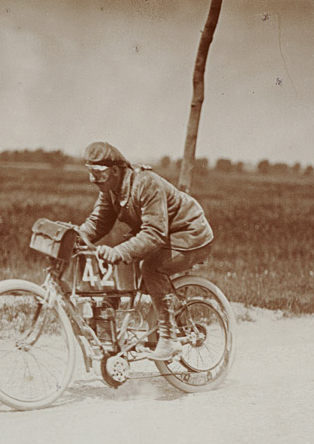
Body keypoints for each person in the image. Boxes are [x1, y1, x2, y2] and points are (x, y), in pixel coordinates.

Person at [78, 141, 214, 361]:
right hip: (165, 234)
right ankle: (108, 327)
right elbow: (98, 223)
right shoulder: (111, 190)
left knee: (150, 268)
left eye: (98, 173)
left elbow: (154, 234)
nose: (93, 180)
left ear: (115, 171)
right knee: (117, 267)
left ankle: (169, 338)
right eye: (90, 173)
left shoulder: (145, 183)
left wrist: (120, 251)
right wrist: (75, 236)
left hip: (190, 234)